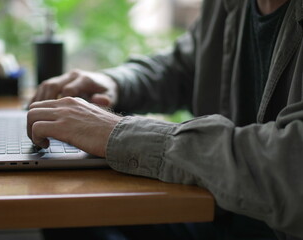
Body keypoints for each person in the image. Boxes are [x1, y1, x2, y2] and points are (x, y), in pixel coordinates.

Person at [27, 0, 303, 239]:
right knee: (66, 212)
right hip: (224, 211)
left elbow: (290, 165)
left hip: (275, 230)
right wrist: (114, 82)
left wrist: (119, 133)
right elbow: (184, 67)